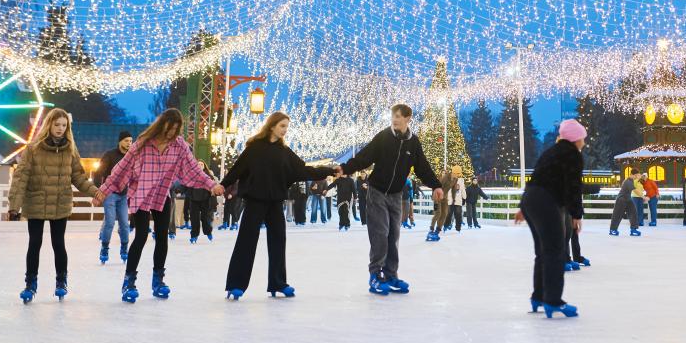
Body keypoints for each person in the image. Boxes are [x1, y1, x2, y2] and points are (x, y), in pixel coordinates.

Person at [96, 108, 224, 303]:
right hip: (141, 194)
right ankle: (129, 281)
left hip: (161, 193)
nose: (171, 133)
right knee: (140, 236)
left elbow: (192, 169)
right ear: (161, 125)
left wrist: (211, 184)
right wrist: (103, 190)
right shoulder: (143, 143)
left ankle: (158, 280)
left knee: (162, 236)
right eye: (168, 128)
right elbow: (120, 169)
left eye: (175, 129)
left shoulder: (179, 146)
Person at [220, 112, 336, 300]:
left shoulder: (284, 152)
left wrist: (330, 171)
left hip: (275, 203)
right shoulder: (254, 148)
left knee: (278, 242)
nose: (285, 130)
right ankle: (235, 284)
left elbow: (304, 170)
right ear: (272, 125)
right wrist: (223, 185)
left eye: (286, 127)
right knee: (246, 241)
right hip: (255, 201)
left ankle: (278, 283)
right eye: (282, 126)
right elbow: (237, 170)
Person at [338, 103, 443, 296]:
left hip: (396, 194)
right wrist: (345, 168)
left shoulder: (414, 143)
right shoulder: (384, 137)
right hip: (377, 192)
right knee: (380, 234)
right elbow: (364, 157)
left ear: (407, 119)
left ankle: (391, 274)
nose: (394, 119)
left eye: (398, 116)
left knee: (393, 235)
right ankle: (375, 275)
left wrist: (436, 185)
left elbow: (423, 167)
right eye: (393, 116)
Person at [8, 108, 100, 303]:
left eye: (64, 125)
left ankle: (61, 282)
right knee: (35, 243)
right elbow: (20, 178)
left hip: (60, 202)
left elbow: (78, 177)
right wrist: (14, 206)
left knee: (58, 244)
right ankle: (30, 283)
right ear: (49, 125)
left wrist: (96, 192)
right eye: (57, 124)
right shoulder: (33, 149)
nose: (60, 128)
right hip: (36, 201)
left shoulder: (70, 149)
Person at [515, 119, 586, 318]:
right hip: (546, 202)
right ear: (575, 138)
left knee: (542, 252)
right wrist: (576, 214)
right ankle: (553, 300)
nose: (584, 142)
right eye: (582, 138)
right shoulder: (573, 155)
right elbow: (574, 186)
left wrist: (523, 206)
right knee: (555, 250)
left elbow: (534, 178)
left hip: (532, 201)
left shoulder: (550, 152)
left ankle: (538, 296)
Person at [93, 130, 132, 265]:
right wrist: (100, 190)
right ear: (120, 141)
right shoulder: (110, 155)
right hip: (110, 194)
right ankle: (104, 248)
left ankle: (124, 248)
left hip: (123, 195)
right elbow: (98, 173)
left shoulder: (131, 157)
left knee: (124, 224)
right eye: (126, 141)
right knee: (109, 222)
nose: (129, 143)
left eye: (131, 141)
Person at [608, 170, 641, 236]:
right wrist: (643, 197)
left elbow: (635, 186)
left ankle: (633, 230)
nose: (637, 176)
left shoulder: (631, 180)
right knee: (617, 214)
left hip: (628, 199)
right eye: (637, 175)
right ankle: (613, 230)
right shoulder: (627, 181)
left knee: (633, 213)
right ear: (633, 174)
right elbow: (635, 190)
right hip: (621, 199)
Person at [427, 170, 451, 242]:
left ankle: (437, 230)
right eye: (443, 173)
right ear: (441, 174)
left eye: (445, 173)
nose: (444, 174)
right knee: (438, 213)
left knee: (444, 214)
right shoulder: (437, 181)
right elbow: (434, 190)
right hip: (437, 199)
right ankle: (431, 228)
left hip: (444, 200)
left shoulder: (447, 182)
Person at [448, 166, 467, 231]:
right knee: (458, 215)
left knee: (450, 214)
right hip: (457, 201)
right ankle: (458, 227)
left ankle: (449, 225)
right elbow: (463, 191)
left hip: (451, 201)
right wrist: (464, 198)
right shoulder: (461, 181)